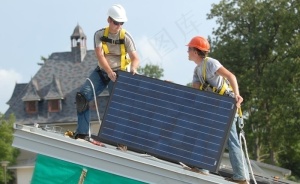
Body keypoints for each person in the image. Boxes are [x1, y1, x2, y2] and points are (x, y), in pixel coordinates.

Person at [186, 36, 250, 184]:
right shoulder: (197, 71)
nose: (187, 52)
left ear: (196, 51)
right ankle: (203, 167)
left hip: (226, 104)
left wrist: (237, 95)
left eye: (189, 49)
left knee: (231, 141)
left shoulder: (210, 63)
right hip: (216, 107)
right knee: (207, 133)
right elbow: (197, 94)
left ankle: (241, 177)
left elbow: (230, 76)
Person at [74, 4, 139, 145]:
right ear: (109, 20)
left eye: (121, 23)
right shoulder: (99, 35)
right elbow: (100, 55)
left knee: (118, 105)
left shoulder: (126, 37)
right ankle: (83, 133)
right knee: (82, 97)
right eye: (116, 22)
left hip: (120, 74)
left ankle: (120, 140)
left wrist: (133, 68)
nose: (119, 25)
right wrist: (109, 72)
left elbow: (135, 58)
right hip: (103, 71)